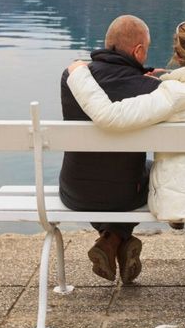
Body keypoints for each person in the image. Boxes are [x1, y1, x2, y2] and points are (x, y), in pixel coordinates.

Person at [66, 20, 185, 276]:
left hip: (181, 195)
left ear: (178, 56)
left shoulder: (171, 94)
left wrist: (79, 73)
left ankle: (112, 237)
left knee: (148, 171)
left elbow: (110, 116)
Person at [58, 14, 157, 284]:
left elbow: (111, 85)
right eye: (145, 50)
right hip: (123, 195)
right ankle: (115, 238)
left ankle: (110, 239)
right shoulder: (149, 89)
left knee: (108, 175)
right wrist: (152, 81)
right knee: (154, 173)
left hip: (73, 191)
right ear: (138, 51)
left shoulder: (72, 78)